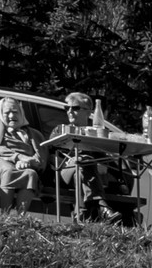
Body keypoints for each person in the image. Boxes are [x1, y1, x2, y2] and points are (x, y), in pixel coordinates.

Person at [46, 90, 124, 222]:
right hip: (63, 171)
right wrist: (67, 161)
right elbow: (49, 155)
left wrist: (102, 164)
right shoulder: (60, 130)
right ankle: (102, 207)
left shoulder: (93, 133)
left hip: (82, 173)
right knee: (81, 162)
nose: (70, 111)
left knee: (82, 166)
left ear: (89, 112)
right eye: (67, 108)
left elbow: (106, 162)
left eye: (75, 108)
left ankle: (81, 217)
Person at [0, 96, 47, 212]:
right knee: (9, 171)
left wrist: (28, 162)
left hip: (26, 165)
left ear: (21, 113)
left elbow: (41, 157)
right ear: (0, 114)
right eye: (7, 113)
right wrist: (18, 158)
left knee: (31, 174)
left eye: (15, 112)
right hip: (2, 161)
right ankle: (4, 216)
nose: (11, 116)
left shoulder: (34, 134)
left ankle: (20, 218)